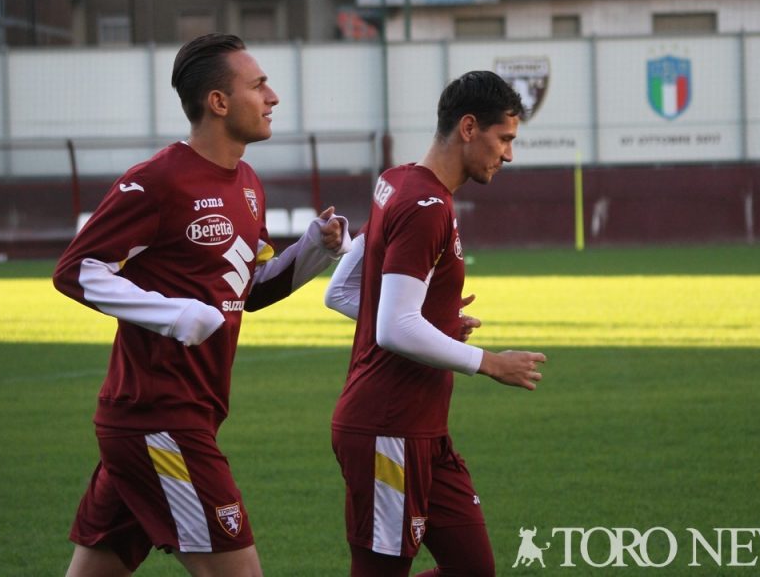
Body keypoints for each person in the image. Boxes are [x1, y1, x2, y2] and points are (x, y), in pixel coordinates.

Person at [52, 33, 350, 577]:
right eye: (258, 85)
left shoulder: (248, 183)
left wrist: (312, 251)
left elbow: (248, 290)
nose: (272, 97)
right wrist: (175, 314)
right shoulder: (159, 179)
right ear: (218, 102)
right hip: (160, 418)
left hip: (167, 418)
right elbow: (76, 270)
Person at [325, 71, 547, 577]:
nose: (508, 155)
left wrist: (435, 325)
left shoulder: (396, 180)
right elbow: (394, 327)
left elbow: (342, 292)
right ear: (469, 127)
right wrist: (489, 363)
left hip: (424, 429)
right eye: (504, 138)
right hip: (387, 427)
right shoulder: (427, 208)